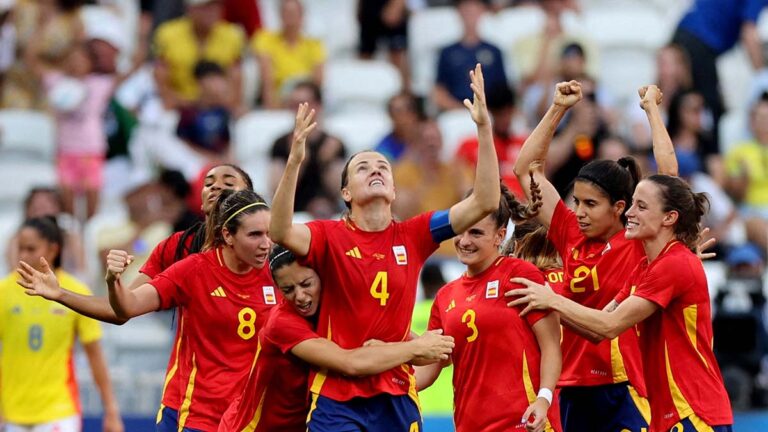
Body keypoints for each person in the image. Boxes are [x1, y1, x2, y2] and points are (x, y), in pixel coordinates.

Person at [269, 63, 500, 431]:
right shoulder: (327, 235)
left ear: (393, 190)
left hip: (396, 396)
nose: (375, 170)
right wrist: (295, 162)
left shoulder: (415, 233)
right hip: (338, 397)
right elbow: (279, 229)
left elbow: (485, 201)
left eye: (382, 167)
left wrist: (484, 128)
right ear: (345, 193)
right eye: (362, 168)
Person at [16, 166, 257, 432]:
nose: (215, 186)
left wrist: (292, 165)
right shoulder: (179, 249)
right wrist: (63, 292)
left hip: (252, 409)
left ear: (250, 196)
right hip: (190, 408)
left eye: (228, 181)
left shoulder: (271, 256)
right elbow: (122, 307)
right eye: (209, 182)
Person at [510, 81, 680, 432]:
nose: (580, 212)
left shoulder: (638, 240)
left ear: (620, 208)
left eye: (591, 204)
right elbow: (526, 170)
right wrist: (558, 107)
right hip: (573, 389)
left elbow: (669, 178)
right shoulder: (569, 231)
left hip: (624, 386)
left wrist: (652, 111)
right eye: (577, 203)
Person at [507, 175, 734, 431]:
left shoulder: (674, 263)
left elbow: (609, 325)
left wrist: (552, 299)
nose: (630, 212)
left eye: (641, 206)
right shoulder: (645, 267)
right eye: (632, 203)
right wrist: (548, 306)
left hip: (693, 409)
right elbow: (597, 329)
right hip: (669, 413)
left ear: (669, 218)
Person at [219, 245, 454, 431]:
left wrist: (440, 348)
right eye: (287, 289)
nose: (300, 296)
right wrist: (411, 349)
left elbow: (420, 355)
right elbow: (351, 363)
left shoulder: (345, 308)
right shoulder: (282, 322)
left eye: (306, 284)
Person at [416, 183, 562, 432]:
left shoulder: (519, 275)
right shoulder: (445, 297)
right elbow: (427, 372)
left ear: (499, 235)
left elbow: (551, 345)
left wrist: (543, 399)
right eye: (460, 231)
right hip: (469, 425)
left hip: (525, 422)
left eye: (476, 233)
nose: (464, 241)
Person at [4, 217, 123, 432]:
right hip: (12, 414)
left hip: (59, 411)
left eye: (31, 249)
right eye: (20, 249)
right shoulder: (4, 292)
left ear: (52, 250)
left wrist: (111, 409)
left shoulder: (74, 292)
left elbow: (95, 355)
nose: (23, 256)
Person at [671, 0, 768, 150]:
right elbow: (749, 33)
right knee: (710, 106)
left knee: (680, 101)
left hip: (684, 34)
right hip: (699, 42)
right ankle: (711, 158)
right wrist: (763, 77)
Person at [268, 81, 347, 219]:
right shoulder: (281, 144)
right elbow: (276, 190)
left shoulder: (333, 144)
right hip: (293, 206)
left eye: (304, 104)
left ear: (318, 105)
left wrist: (325, 161)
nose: (297, 110)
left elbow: (340, 192)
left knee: (322, 207)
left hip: (328, 206)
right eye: (293, 105)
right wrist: (298, 162)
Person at [153, 0, 244, 111]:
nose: (212, 12)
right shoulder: (167, 34)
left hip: (220, 107)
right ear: (189, 9)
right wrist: (188, 104)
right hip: (177, 109)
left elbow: (235, 85)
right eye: (205, 7)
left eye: (216, 6)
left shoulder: (232, 35)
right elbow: (161, 81)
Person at [433, 0, 507, 112]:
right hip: (456, 114)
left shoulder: (494, 51)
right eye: (466, 10)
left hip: (490, 113)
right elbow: (439, 92)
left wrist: (488, 111)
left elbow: (503, 89)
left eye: (474, 10)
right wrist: (463, 109)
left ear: (482, 11)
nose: (470, 15)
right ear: (459, 12)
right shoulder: (447, 53)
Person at [252, 0, 325, 109]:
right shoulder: (265, 40)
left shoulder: (314, 45)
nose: (290, 18)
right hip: (280, 100)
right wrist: (272, 107)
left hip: (306, 100)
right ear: (280, 15)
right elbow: (267, 79)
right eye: (286, 13)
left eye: (293, 14)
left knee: (304, 94)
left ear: (302, 16)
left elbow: (317, 81)